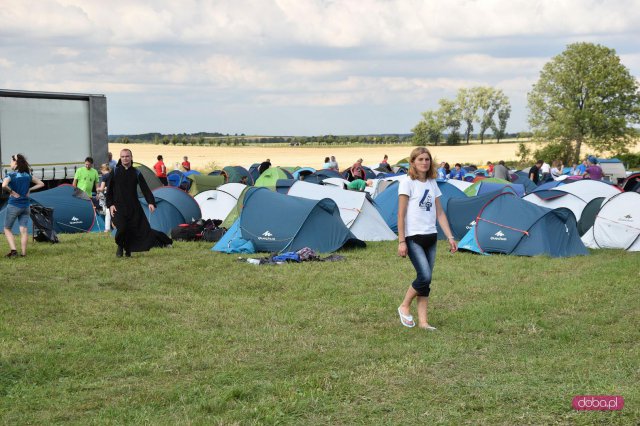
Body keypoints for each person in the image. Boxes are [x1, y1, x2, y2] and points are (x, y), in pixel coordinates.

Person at [397, 147, 457, 330]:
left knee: (426, 281)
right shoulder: (407, 183)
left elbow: (440, 212)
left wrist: (450, 236)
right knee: (424, 276)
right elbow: (401, 214)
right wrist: (401, 241)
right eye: (420, 159)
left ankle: (423, 322)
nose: (424, 162)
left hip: (431, 236)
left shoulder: (432, 182)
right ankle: (404, 305)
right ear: (413, 162)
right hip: (414, 236)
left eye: (427, 159)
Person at [106, 149, 162, 258]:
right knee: (121, 227)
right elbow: (109, 190)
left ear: (131, 157)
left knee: (132, 228)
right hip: (117, 206)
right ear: (120, 158)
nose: (125, 158)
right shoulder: (115, 171)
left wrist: (150, 202)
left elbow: (145, 188)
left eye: (127, 156)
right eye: (122, 156)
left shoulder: (136, 172)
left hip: (133, 206)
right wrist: (110, 204)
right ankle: (120, 246)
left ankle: (128, 249)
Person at [2, 154, 45, 257]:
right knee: (24, 230)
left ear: (15, 162)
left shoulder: (11, 175)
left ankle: (13, 251)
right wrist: (29, 189)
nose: (10, 163)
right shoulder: (27, 175)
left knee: (7, 229)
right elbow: (41, 184)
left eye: (11, 161)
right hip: (25, 206)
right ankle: (24, 254)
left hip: (13, 205)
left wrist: (11, 191)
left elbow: (4, 185)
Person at [96, 163, 112, 233]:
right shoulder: (113, 174)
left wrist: (97, 189)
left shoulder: (104, 176)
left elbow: (101, 189)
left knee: (108, 212)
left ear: (102, 170)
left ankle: (107, 228)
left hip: (108, 196)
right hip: (115, 195)